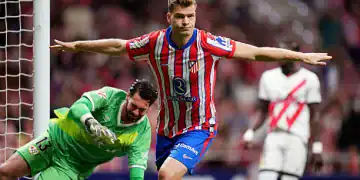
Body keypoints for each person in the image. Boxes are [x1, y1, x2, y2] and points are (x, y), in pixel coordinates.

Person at [50, 0, 331, 179]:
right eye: (180, 16)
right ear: (168, 16)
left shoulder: (208, 43)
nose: (186, 22)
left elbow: (255, 53)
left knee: (167, 175)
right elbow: (117, 45)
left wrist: (298, 57)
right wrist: (78, 45)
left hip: (199, 126)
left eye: (191, 16)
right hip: (167, 129)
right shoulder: (154, 42)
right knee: (167, 174)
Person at [0, 79, 158, 180]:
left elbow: (137, 172)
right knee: (5, 172)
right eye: (134, 106)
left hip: (72, 166)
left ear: (149, 108)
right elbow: (78, 107)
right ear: (128, 96)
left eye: (142, 110)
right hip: (54, 140)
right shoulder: (111, 96)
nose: (136, 113)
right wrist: (92, 123)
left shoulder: (141, 133)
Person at [242, 41, 324, 180]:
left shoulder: (310, 79)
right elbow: (263, 111)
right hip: (273, 136)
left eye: (284, 52)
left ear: (295, 55)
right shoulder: (268, 77)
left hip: (298, 137)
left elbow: (315, 116)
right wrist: (251, 132)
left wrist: (316, 147)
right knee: (265, 176)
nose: (279, 56)